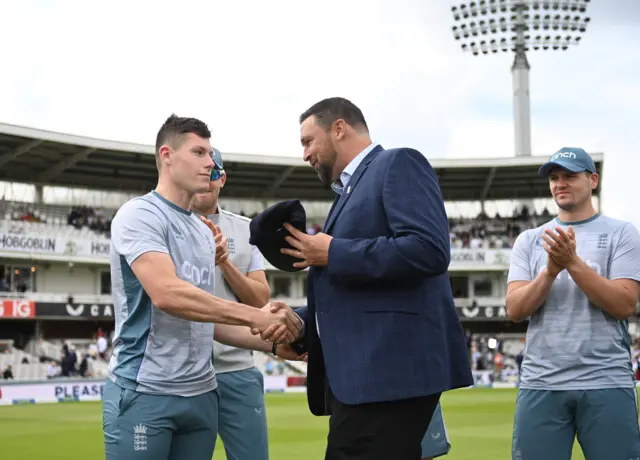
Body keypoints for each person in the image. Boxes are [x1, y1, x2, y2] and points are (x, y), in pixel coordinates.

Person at [262, 97, 473, 460]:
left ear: (339, 128)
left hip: (390, 374)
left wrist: (332, 253)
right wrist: (301, 321)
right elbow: (357, 293)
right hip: (368, 378)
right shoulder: (349, 190)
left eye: (308, 141)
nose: (305, 154)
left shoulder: (396, 163)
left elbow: (429, 249)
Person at [102, 114, 303, 460]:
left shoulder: (203, 232)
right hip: (146, 390)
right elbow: (169, 295)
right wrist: (254, 314)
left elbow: (207, 322)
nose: (210, 162)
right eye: (199, 152)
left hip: (201, 394)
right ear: (167, 155)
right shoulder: (139, 215)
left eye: (210, 154)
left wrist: (275, 340)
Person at [506, 147, 640, 460]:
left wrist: (571, 263)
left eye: (569, 175)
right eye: (554, 177)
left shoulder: (621, 232)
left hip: (605, 380)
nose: (560, 183)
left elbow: (624, 305)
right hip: (542, 382)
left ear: (593, 180)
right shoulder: (530, 239)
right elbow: (515, 309)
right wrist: (550, 272)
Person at [191, 148, 272, 460]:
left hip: (237, 368)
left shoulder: (244, 228)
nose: (205, 181)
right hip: (185, 373)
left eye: (212, 173)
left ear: (222, 178)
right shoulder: (166, 225)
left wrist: (225, 262)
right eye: (199, 172)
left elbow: (260, 299)